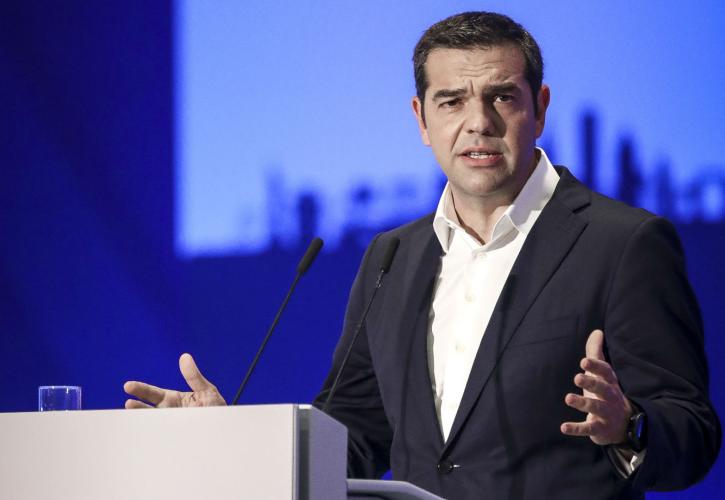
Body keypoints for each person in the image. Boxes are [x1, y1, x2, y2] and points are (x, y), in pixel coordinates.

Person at [124, 11, 721, 499]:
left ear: (539, 108)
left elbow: (693, 432)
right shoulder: (392, 256)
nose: (478, 123)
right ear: (421, 119)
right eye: (451, 101)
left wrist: (628, 425)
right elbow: (349, 440)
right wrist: (230, 440)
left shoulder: (623, 243)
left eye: (501, 97)